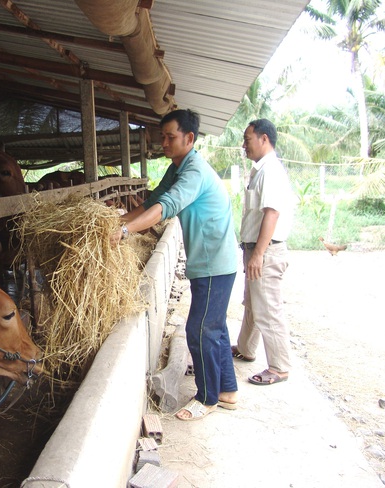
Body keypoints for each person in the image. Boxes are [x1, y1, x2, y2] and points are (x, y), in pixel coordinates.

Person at [111, 109, 238, 420]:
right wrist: (115, 221)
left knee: (199, 329)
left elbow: (166, 207)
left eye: (170, 137)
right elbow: (153, 199)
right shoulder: (177, 167)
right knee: (215, 326)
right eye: (162, 137)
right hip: (210, 261)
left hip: (214, 263)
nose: (164, 143)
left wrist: (127, 231)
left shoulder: (194, 172)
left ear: (189, 138)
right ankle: (227, 391)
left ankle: (207, 399)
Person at [231, 118, 295, 386]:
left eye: (247, 139)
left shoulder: (271, 171)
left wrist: (258, 253)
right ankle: (246, 348)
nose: (244, 145)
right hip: (256, 249)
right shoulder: (260, 170)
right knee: (253, 303)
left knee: (268, 308)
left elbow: (272, 214)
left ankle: (279, 367)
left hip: (265, 251)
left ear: (264, 139)